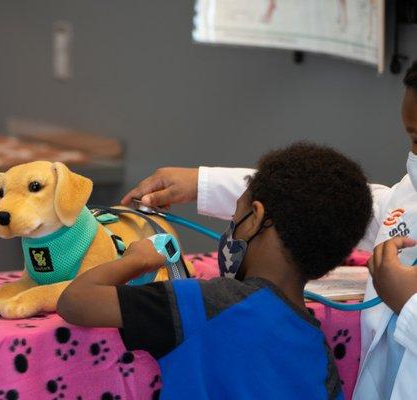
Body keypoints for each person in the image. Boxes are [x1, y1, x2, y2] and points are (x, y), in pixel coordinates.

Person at [119, 61, 417, 400]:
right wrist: (200, 183)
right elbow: (325, 200)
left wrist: (409, 306)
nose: (413, 154)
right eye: (411, 138)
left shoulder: (209, 304)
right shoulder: (409, 194)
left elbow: (79, 302)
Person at [57, 142, 372, 399]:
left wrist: (135, 260)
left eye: (235, 214)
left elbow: (76, 301)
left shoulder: (207, 302)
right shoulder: (317, 351)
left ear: (256, 217)